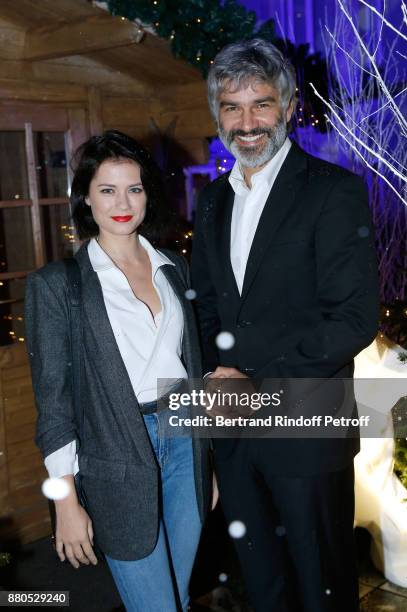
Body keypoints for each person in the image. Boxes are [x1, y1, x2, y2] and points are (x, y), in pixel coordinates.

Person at [191, 39, 379, 612]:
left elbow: (353, 318)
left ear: (290, 106)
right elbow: (206, 307)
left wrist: (256, 380)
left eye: (261, 104)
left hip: (306, 429)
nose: (247, 123)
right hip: (236, 435)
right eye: (231, 107)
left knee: (321, 586)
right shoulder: (211, 202)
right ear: (217, 114)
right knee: (263, 586)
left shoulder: (332, 192)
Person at [25, 130, 213, 612]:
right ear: (86, 197)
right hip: (116, 455)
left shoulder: (173, 267)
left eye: (134, 188)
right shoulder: (59, 286)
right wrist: (64, 501)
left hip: (185, 441)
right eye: (107, 189)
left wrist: (205, 463)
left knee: (180, 596)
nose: (122, 202)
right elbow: (54, 403)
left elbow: (190, 372)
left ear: (149, 193)